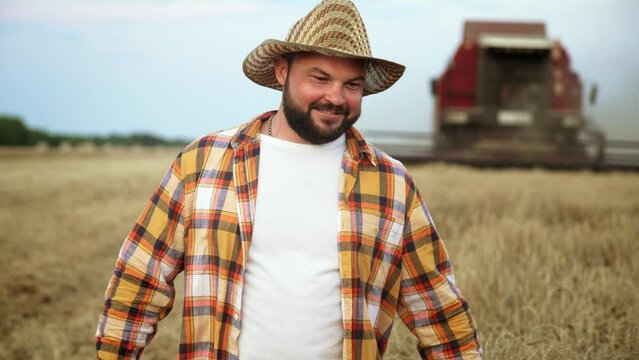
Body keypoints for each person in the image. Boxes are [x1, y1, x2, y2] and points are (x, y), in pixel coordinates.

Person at [96, 0, 482, 359]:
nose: (336, 97)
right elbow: (140, 280)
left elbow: (437, 309)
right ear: (282, 71)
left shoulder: (391, 183)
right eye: (320, 77)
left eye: (352, 85)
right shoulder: (204, 162)